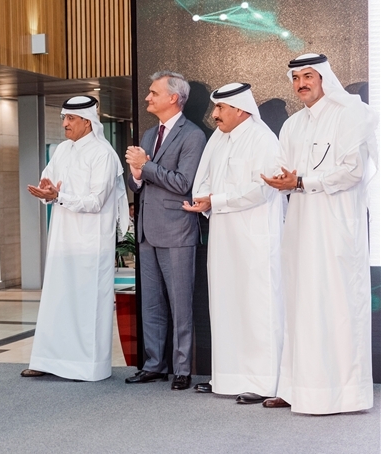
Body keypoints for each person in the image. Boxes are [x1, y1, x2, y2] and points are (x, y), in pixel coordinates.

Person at [260, 54, 377, 414]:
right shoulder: (293, 125)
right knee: (300, 304)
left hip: (336, 227)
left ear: (324, 78)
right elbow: (283, 167)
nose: (301, 84)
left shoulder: (350, 114)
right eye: (296, 78)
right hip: (300, 225)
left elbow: (352, 171)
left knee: (336, 305)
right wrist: (279, 180)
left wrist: (302, 181)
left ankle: (341, 393)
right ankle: (296, 388)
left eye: (308, 76)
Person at [182, 82, 284, 404]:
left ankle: (263, 382)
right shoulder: (218, 139)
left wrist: (217, 199)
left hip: (254, 239)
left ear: (240, 109)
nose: (214, 115)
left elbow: (263, 189)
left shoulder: (263, 139)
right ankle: (226, 378)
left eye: (220, 108)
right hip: (223, 236)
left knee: (256, 306)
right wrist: (205, 199)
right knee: (225, 304)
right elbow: (204, 179)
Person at [21, 95, 129, 381]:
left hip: (91, 243)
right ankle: (47, 360)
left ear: (87, 122)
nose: (65, 124)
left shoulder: (103, 154)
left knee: (86, 304)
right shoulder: (62, 150)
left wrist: (59, 196)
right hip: (62, 239)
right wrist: (47, 193)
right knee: (56, 300)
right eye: (64, 118)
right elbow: (49, 184)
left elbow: (95, 201)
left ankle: (87, 367)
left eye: (70, 118)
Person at [124, 71, 206, 390]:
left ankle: (182, 368)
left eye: (154, 92)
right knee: (152, 304)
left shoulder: (193, 135)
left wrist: (145, 166)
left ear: (173, 98)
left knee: (180, 304)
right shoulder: (148, 134)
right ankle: (154, 365)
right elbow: (136, 184)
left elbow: (184, 183)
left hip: (177, 232)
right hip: (147, 231)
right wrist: (136, 173)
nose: (148, 97)